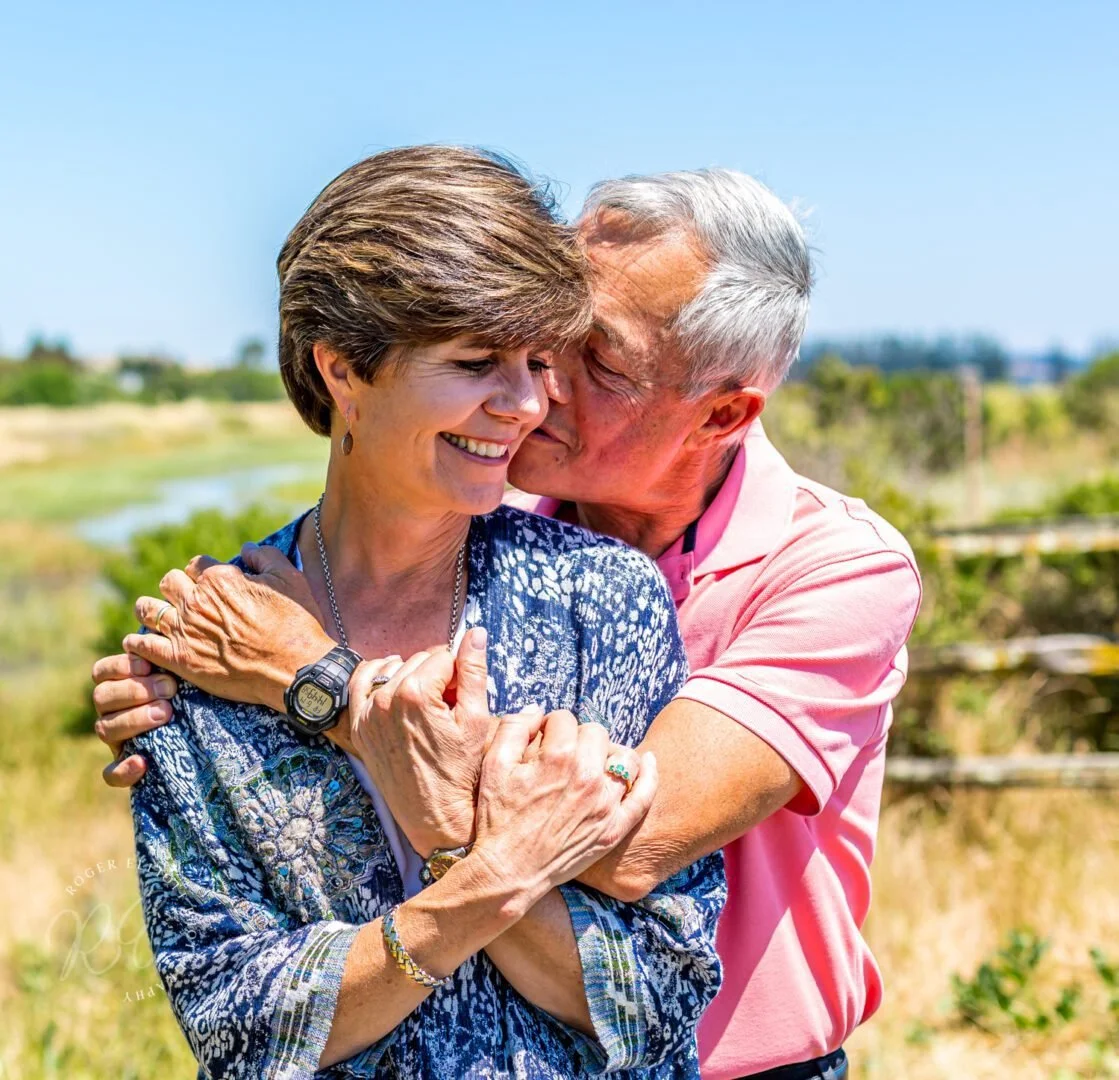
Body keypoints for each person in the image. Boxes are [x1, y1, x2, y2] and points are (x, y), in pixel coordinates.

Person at [94, 165, 921, 1080]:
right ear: (342, 368)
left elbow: (636, 842)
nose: (538, 394)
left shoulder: (830, 570)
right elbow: (234, 1016)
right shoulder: (246, 617)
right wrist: (180, 691)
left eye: (590, 360)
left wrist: (322, 686)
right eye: (531, 340)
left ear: (721, 413)